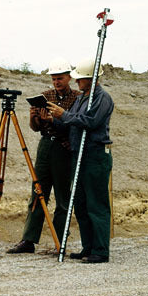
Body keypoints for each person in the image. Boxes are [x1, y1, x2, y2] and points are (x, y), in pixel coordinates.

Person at [7, 59, 80, 254]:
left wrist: (53, 120)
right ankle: (29, 239)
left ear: (69, 78)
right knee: (38, 191)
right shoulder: (45, 96)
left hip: (64, 148)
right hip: (46, 145)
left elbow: (74, 127)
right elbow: (36, 128)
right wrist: (34, 117)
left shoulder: (77, 99)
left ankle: (59, 240)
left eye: (60, 78)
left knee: (63, 196)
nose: (57, 82)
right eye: (54, 79)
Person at [47, 57, 114, 263]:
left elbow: (90, 122)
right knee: (82, 204)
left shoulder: (102, 98)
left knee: (96, 203)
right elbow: (72, 124)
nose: (77, 83)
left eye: (80, 79)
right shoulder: (82, 97)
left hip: (95, 155)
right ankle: (89, 247)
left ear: (91, 79)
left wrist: (64, 114)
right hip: (80, 154)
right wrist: (53, 119)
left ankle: (101, 250)